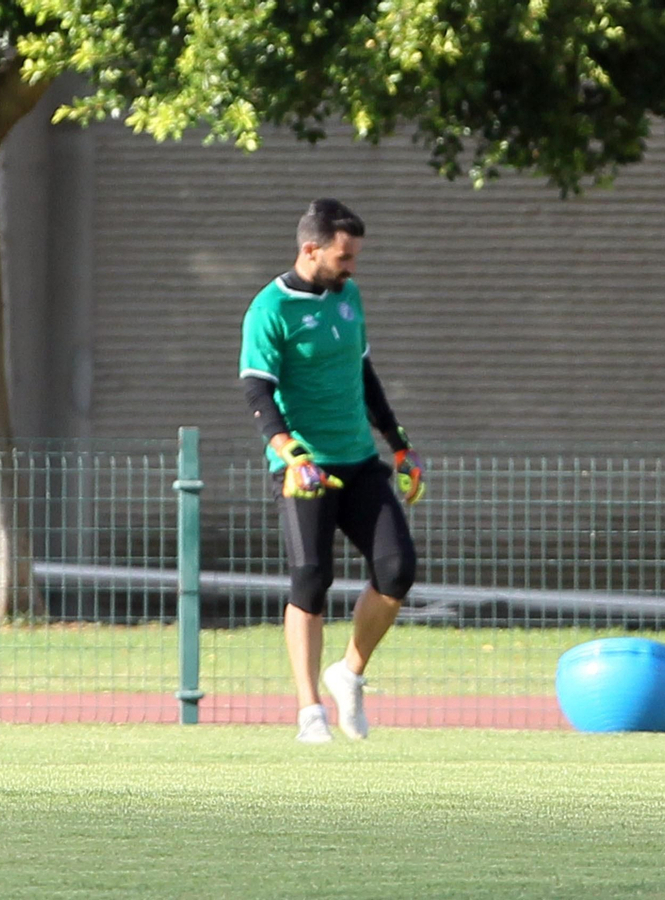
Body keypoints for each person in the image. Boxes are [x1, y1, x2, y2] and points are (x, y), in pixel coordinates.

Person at [238, 198, 426, 743]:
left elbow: (363, 373)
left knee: (397, 570)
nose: (352, 268)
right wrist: (288, 450)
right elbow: (257, 387)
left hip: (359, 461)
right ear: (310, 249)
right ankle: (309, 711)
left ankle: (348, 675)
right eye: (344, 257)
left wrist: (399, 445)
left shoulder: (349, 297)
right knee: (311, 579)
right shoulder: (269, 309)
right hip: (305, 469)